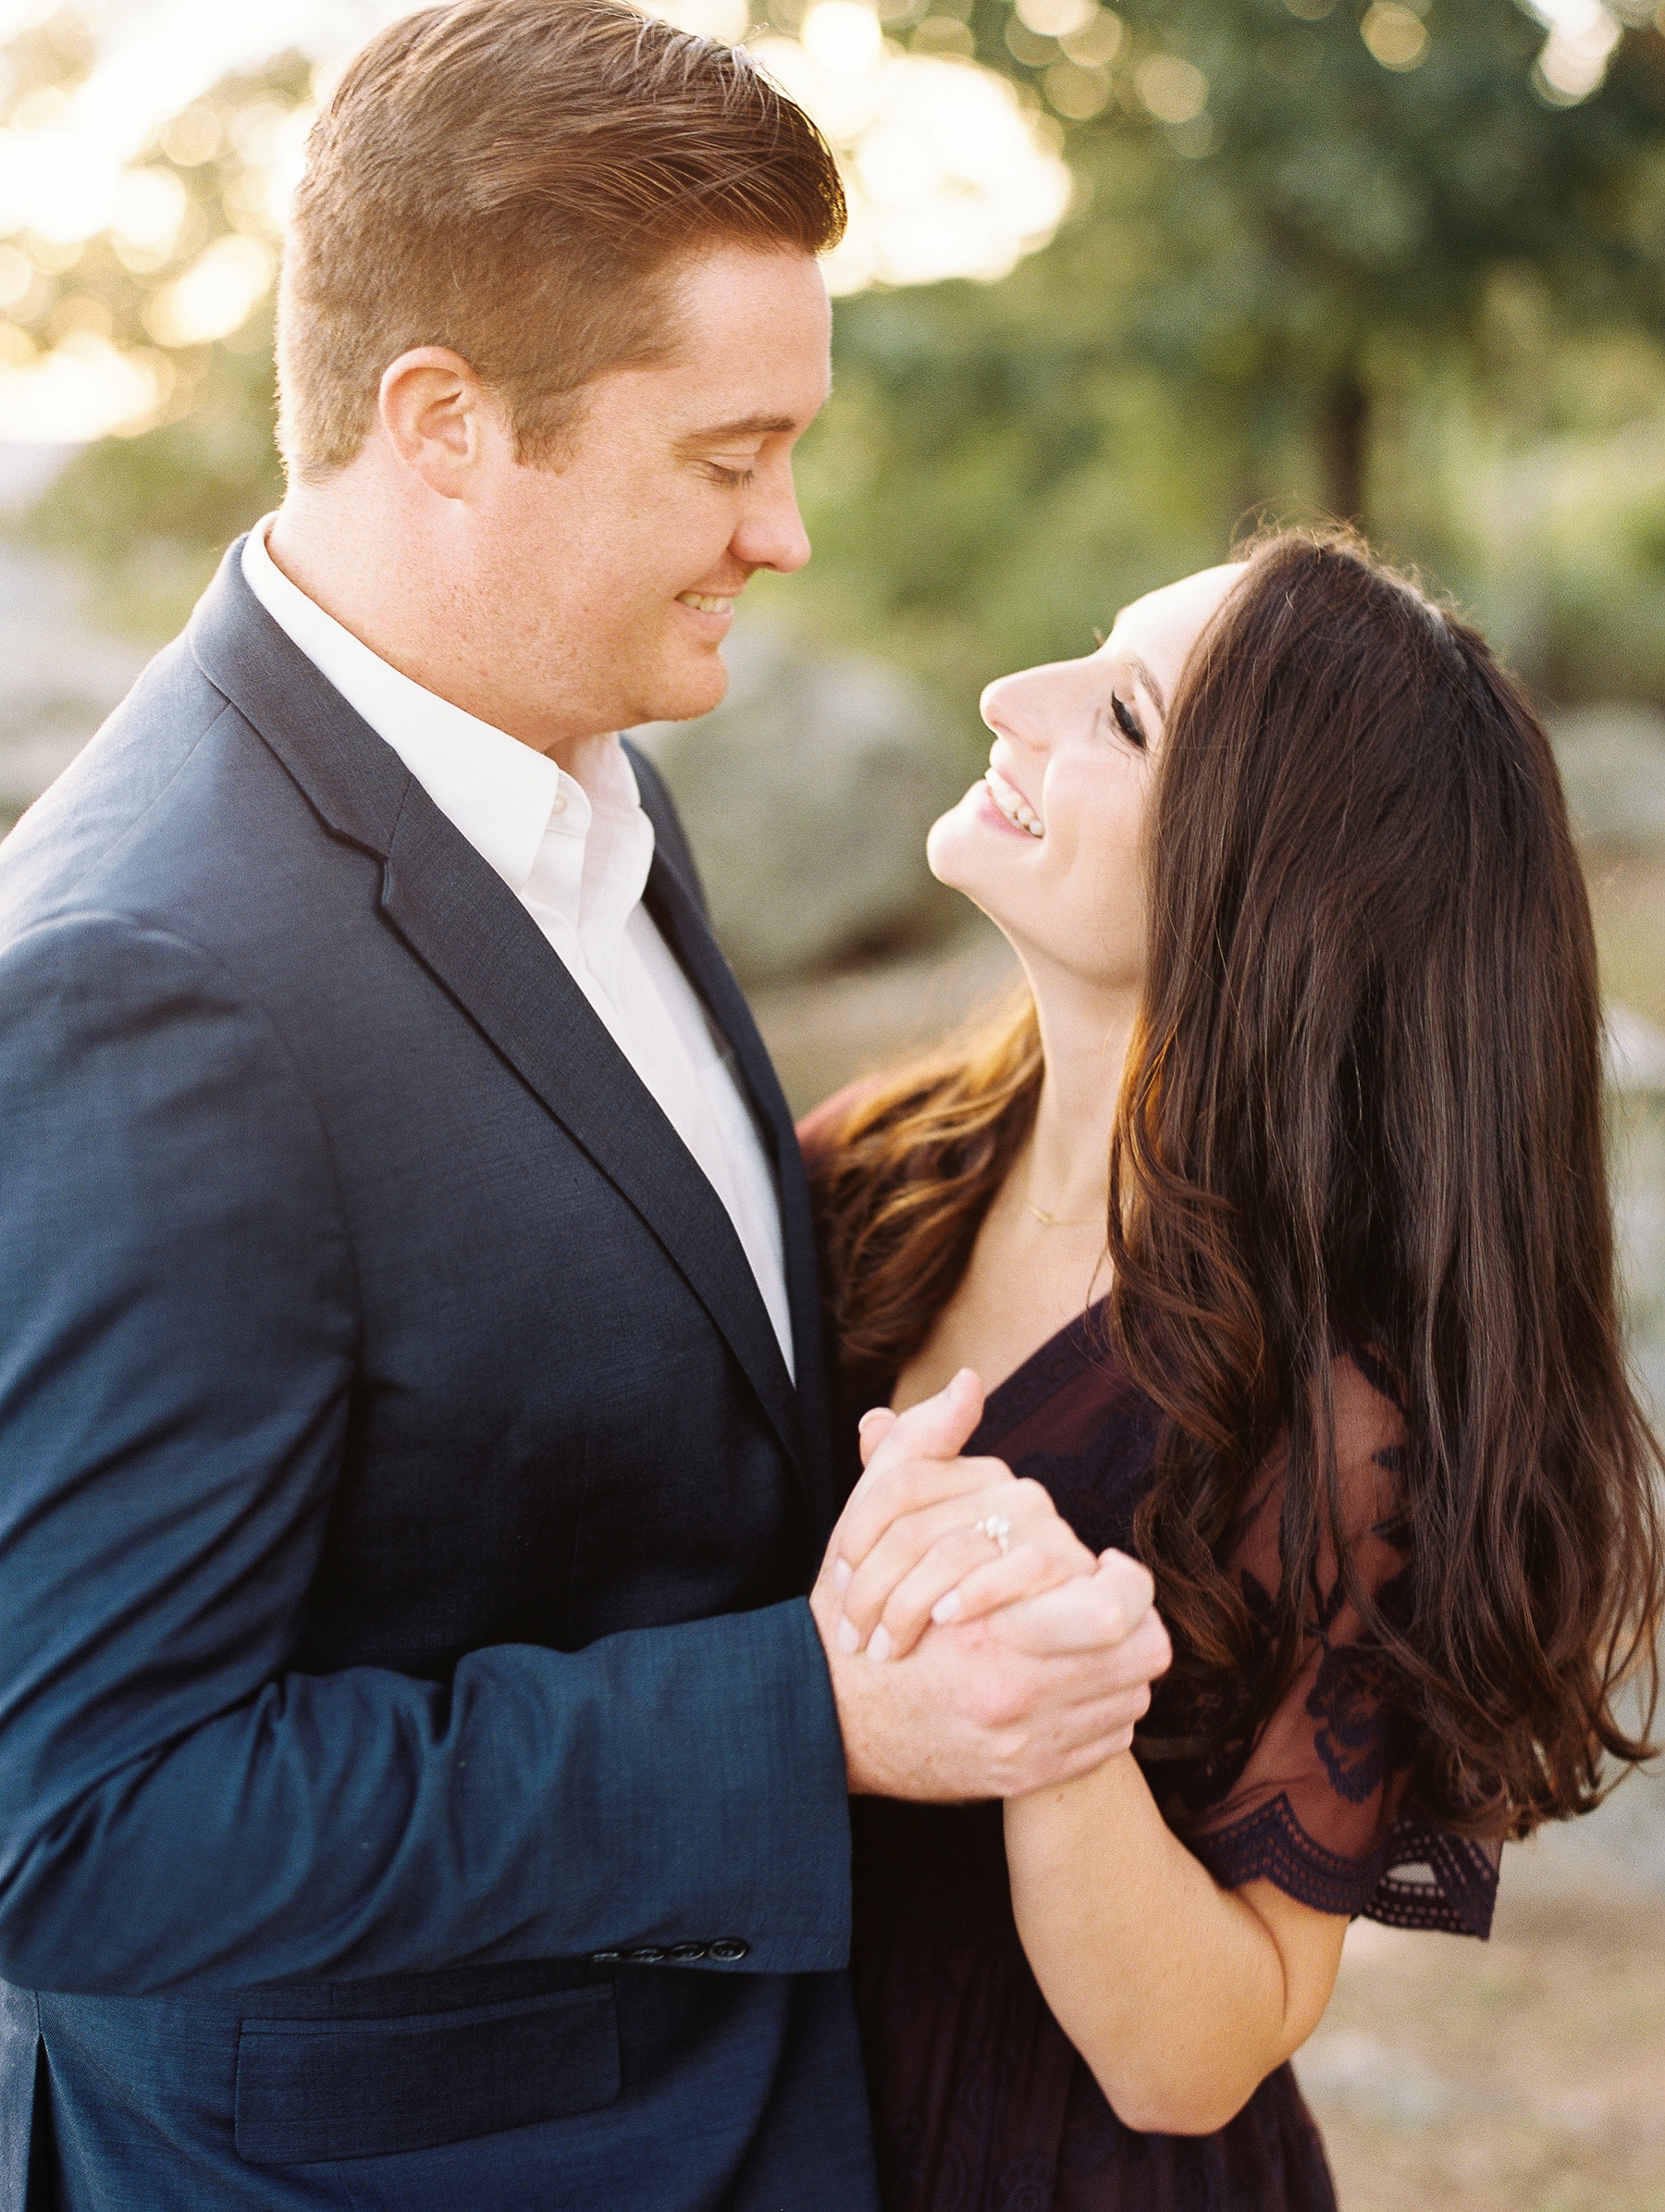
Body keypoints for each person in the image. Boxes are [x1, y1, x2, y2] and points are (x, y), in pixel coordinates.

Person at [0, 6, 1170, 2207]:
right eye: (727, 459)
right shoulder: (144, 984)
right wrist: (807, 1715)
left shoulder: (572, 754)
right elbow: (85, 1815)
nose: (789, 532)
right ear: (443, 424)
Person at [801, 530, 1665, 2211]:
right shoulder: (867, 1171)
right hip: (754, 2130)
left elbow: (1201, 2050)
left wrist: (1049, 1706)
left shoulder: (1347, 1432)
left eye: (1123, 718)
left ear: (1274, 894)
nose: (1012, 699)